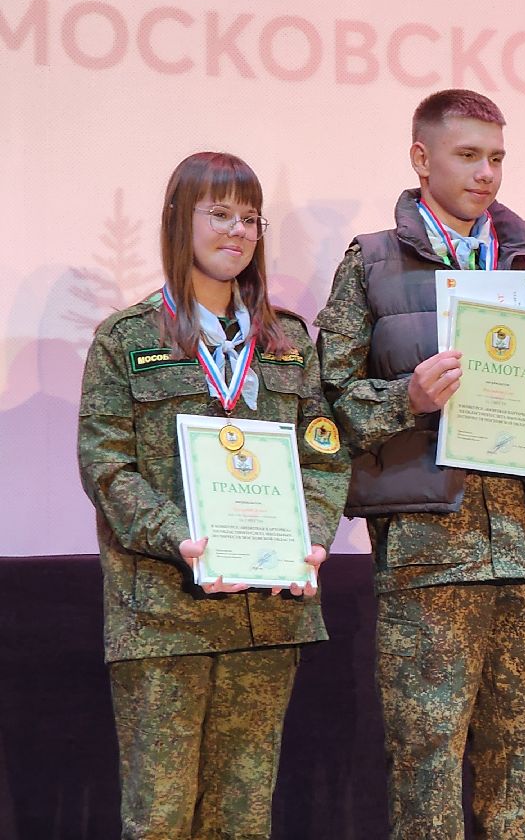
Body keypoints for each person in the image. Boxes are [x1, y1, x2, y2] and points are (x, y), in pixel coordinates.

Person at [315, 88, 525, 840]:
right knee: (428, 758)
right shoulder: (371, 262)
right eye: (468, 156)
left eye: (497, 157)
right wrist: (409, 396)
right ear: (421, 158)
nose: (486, 174)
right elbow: (325, 411)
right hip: (429, 559)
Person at [77, 151, 348, 838]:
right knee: (161, 819)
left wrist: (312, 538)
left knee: (242, 821)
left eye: (250, 218)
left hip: (267, 615)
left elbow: (323, 453)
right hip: (165, 618)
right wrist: (179, 537)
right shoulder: (126, 341)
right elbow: (106, 466)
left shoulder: (287, 342)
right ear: (178, 220)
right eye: (220, 213)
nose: (238, 231)